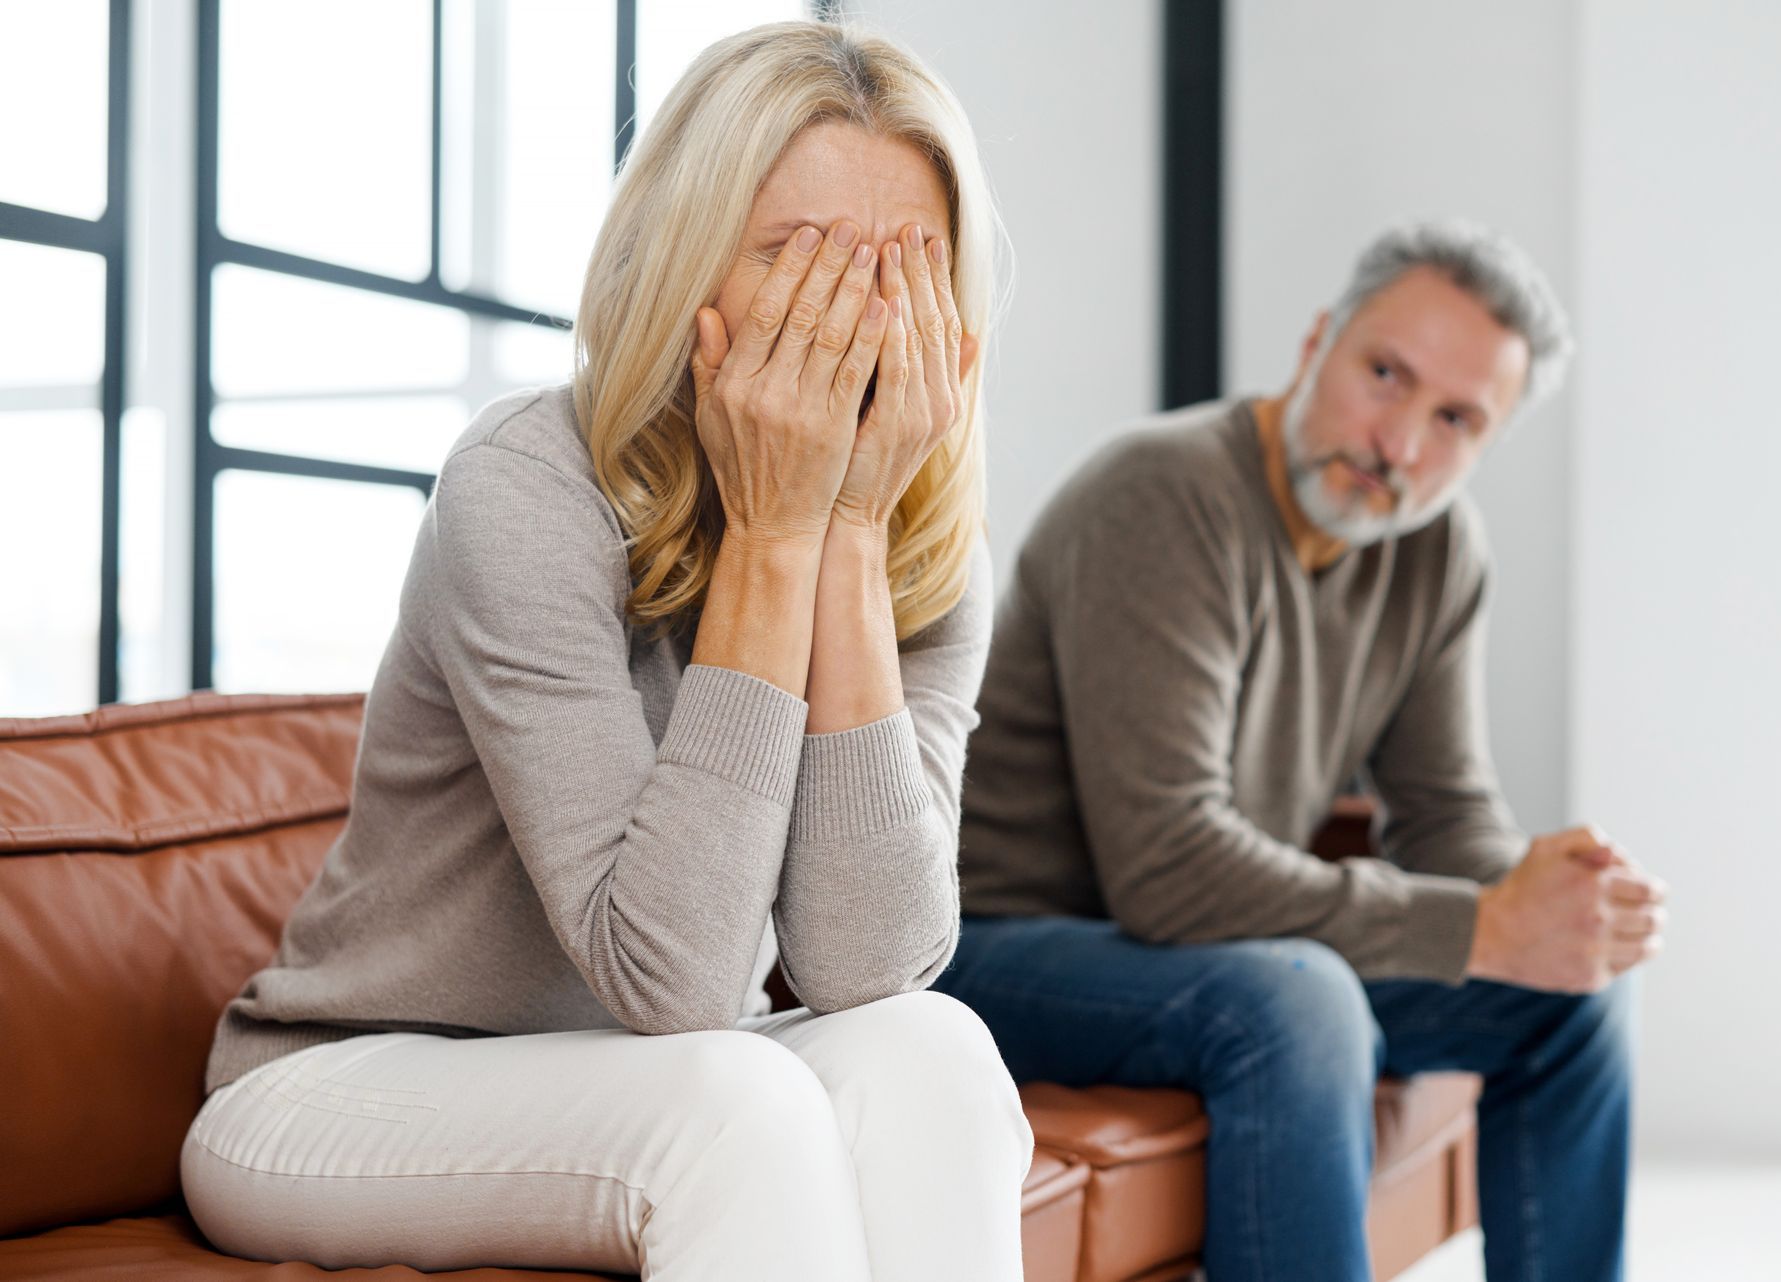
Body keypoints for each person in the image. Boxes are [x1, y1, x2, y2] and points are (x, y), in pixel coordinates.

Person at [180, 21, 1031, 1281]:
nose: (848, 319)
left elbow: (869, 971)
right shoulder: (524, 482)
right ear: (685, 265)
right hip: (343, 1085)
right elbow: (674, 979)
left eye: (902, 266)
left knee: (936, 1050)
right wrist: (776, 537)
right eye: (796, 257)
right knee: (736, 1101)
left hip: (648, 1069)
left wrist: (849, 534)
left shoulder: (926, 552)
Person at [933, 221, 1669, 1282]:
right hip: (1009, 947)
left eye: (1455, 419)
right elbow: (1169, 871)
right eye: (1385, 375)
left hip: (1216, 948)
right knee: (1300, 1000)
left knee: (1576, 985)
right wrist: (1483, 925)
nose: (1399, 443)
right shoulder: (1164, 495)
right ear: (1318, 341)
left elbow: (1446, 813)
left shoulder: (1436, 548)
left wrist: (1554, 901)